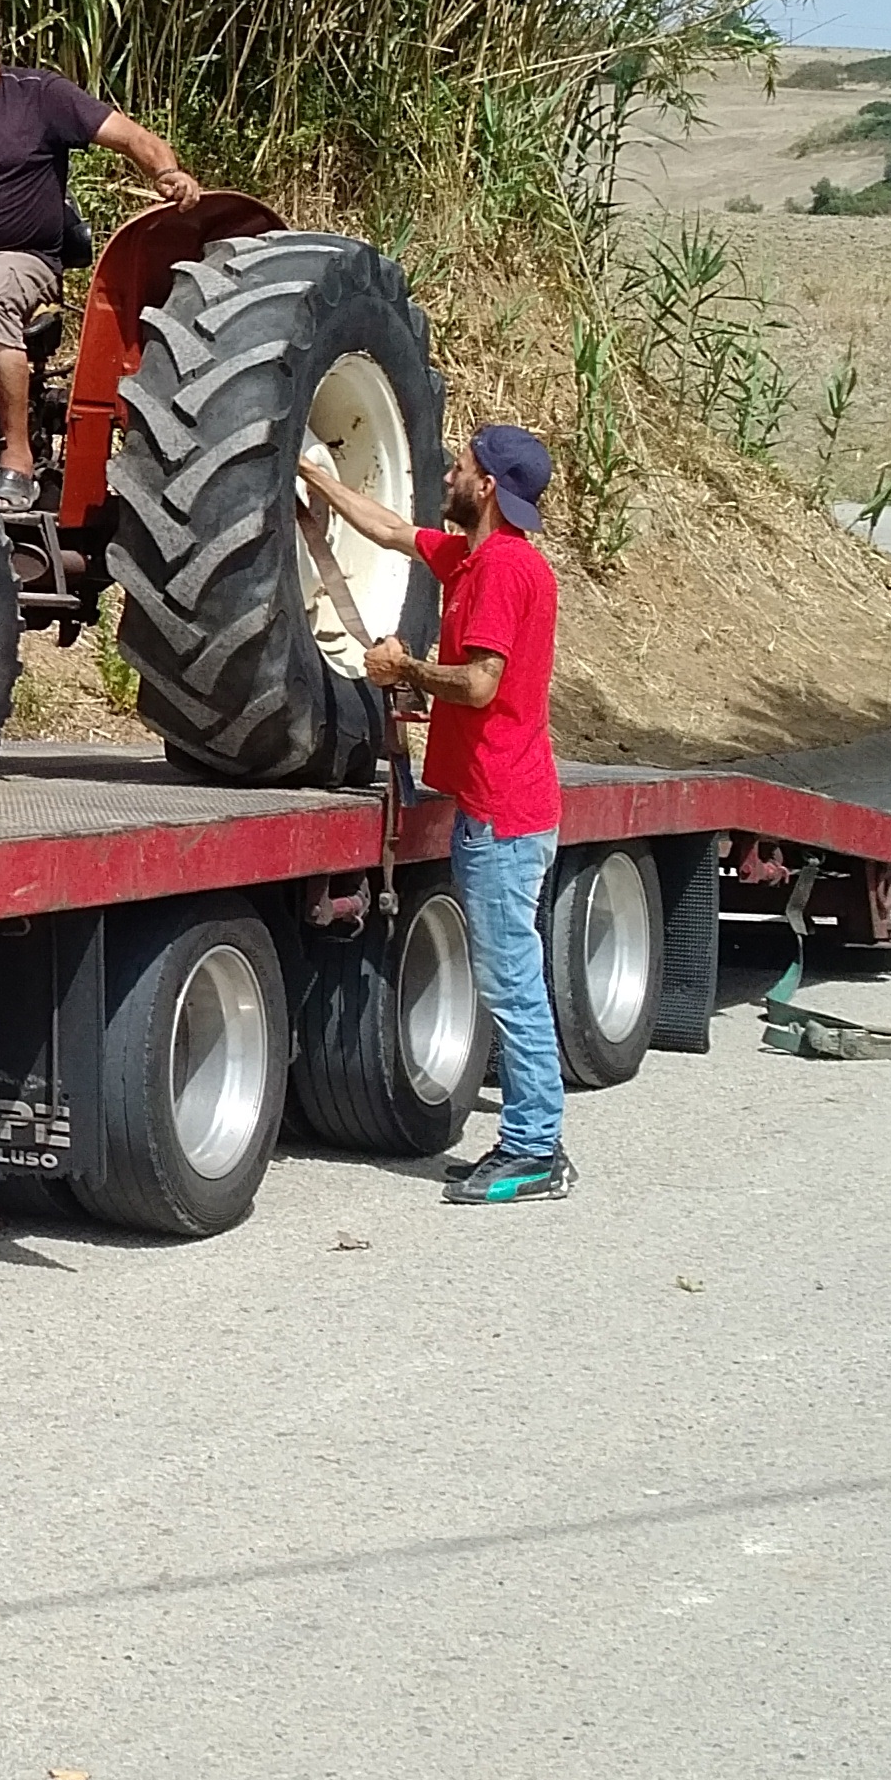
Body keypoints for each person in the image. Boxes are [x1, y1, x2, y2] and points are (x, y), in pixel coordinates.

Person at [298, 417, 571, 1208]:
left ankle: (534, 1149)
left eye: (458, 467)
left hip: (502, 814)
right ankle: (533, 1140)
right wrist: (316, 478)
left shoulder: (500, 574)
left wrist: (406, 666)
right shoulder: (477, 556)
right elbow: (388, 530)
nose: (446, 475)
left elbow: (482, 683)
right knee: (510, 979)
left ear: (486, 486)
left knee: (512, 985)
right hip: (503, 809)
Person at [0, 0, 198, 516]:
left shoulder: (39, 96)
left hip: (17, 257)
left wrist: (167, 172)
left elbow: (132, 139)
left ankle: (18, 458)